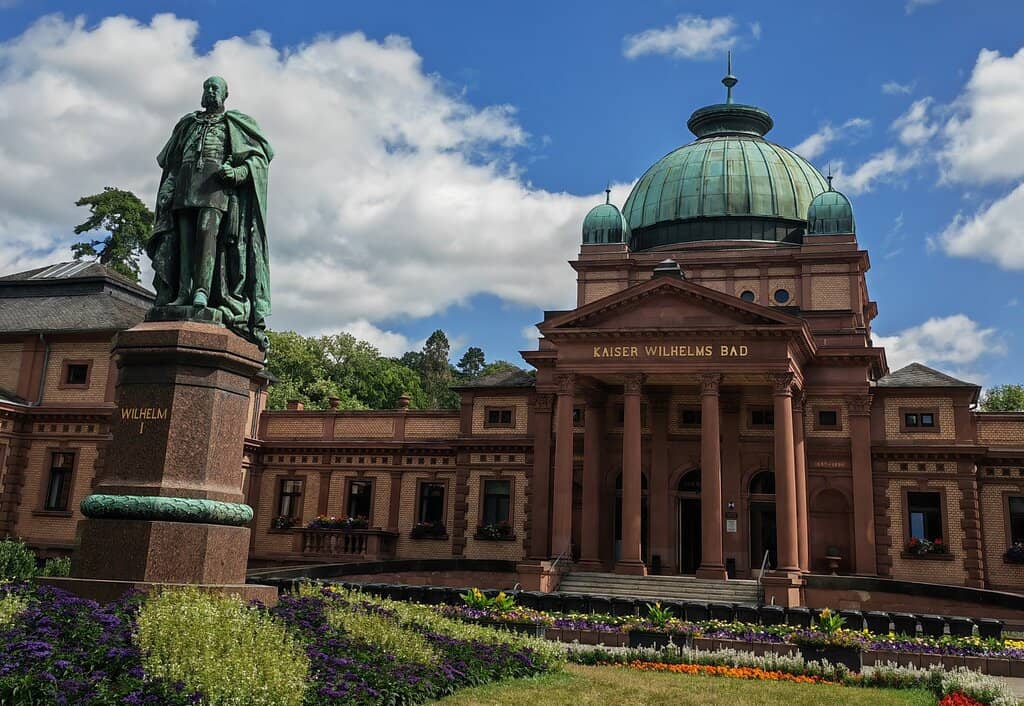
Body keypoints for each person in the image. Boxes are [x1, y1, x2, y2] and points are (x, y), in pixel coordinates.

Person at [147, 76, 274, 349]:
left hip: (216, 192)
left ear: (225, 94)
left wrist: (239, 172)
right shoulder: (188, 124)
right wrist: (168, 190)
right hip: (184, 189)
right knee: (183, 244)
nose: (210, 92)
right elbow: (173, 163)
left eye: (215, 88)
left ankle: (202, 293)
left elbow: (260, 156)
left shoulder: (234, 124)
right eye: (207, 88)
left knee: (207, 242)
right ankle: (182, 293)